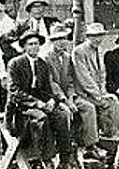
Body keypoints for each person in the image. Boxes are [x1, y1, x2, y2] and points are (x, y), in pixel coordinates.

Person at [6, 30, 76, 169]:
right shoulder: (15, 63)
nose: (34, 47)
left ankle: (65, 159)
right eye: (30, 44)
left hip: (41, 103)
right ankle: (47, 159)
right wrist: (37, 103)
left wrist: (51, 100)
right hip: (21, 107)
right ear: (24, 47)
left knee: (61, 116)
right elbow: (14, 91)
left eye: (37, 44)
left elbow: (47, 88)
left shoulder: (42, 64)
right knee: (42, 117)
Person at [44, 23, 108, 161]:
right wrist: (65, 101)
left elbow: (71, 80)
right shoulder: (46, 58)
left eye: (64, 38)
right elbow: (52, 84)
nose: (61, 42)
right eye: (57, 39)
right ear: (52, 41)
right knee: (65, 113)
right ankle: (64, 152)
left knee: (89, 107)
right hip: (54, 98)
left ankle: (90, 146)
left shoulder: (67, 57)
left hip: (69, 96)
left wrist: (71, 99)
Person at [71, 22, 119, 138]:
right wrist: (99, 95)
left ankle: (115, 134)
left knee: (112, 99)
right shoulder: (79, 52)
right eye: (94, 36)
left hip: (96, 92)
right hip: (83, 94)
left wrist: (103, 91)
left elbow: (102, 74)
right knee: (110, 102)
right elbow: (84, 78)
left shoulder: (99, 50)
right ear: (88, 37)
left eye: (100, 36)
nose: (97, 39)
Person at [0, 0, 22, 111]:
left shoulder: (22, 24)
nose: (12, 6)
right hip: (7, 70)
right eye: (9, 3)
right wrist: (3, 76)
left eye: (15, 2)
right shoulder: (0, 28)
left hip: (21, 71)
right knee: (8, 108)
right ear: (4, 6)